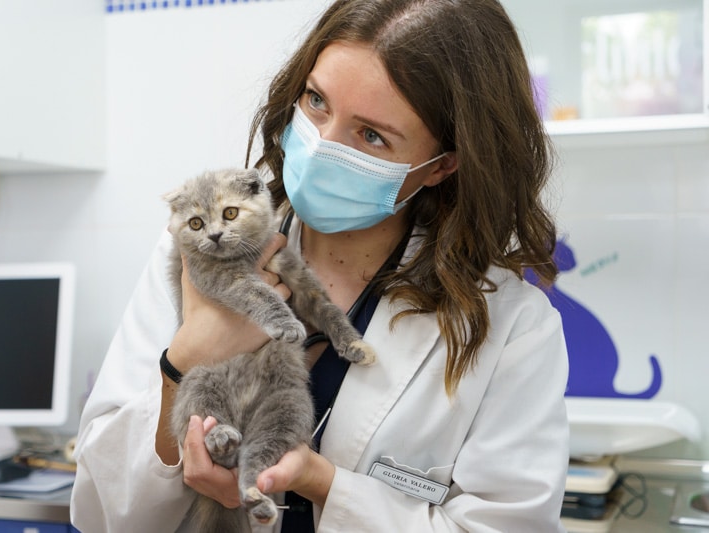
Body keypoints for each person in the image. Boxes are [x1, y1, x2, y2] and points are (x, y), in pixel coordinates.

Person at [70, 0, 570, 531]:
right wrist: (186, 358)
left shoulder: (513, 328)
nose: (321, 147)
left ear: (442, 164)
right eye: (316, 101)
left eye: (371, 135)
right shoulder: (200, 254)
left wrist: (322, 483)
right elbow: (99, 508)